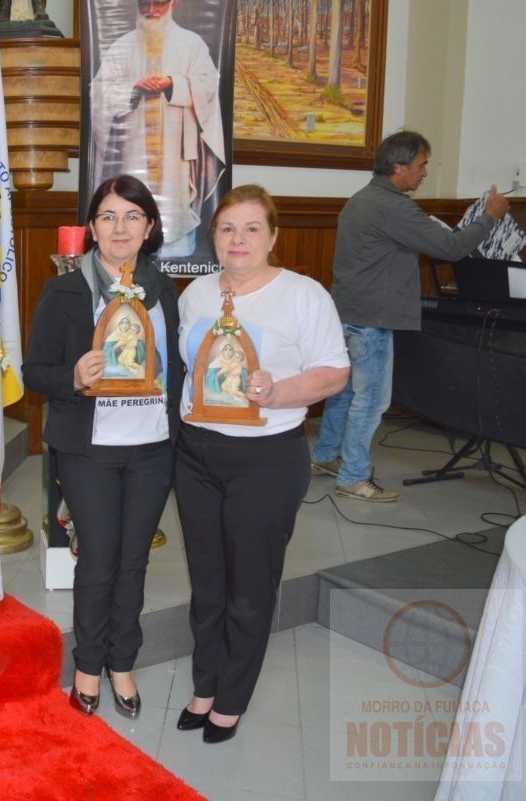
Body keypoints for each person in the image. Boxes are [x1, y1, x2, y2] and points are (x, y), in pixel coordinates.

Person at [175, 184, 349, 744]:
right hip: (197, 453)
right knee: (206, 582)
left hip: (267, 457)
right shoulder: (195, 295)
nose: (238, 239)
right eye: (227, 228)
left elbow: (334, 371)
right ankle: (205, 684)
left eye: (252, 228)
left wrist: (279, 392)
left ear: (273, 237)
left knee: (249, 584)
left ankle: (231, 697)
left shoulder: (304, 296)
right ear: (214, 237)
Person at [23, 174, 181, 719]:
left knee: (133, 563)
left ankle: (123, 664)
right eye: (109, 216)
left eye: (132, 216)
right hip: (90, 450)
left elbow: (179, 369)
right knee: (96, 562)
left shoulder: (164, 291)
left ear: (150, 228)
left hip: (153, 449)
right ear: (91, 227)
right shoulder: (65, 291)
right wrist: (72, 374)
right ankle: (88, 665)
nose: (120, 227)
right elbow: (32, 372)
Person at [310, 131, 510, 501]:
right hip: (372, 321)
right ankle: (353, 476)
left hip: (348, 314)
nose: (424, 174)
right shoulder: (392, 207)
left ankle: (325, 457)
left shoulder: (360, 199)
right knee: (370, 401)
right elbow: (451, 248)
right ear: (398, 167)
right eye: (421, 166)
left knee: (344, 394)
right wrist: (490, 218)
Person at [90, 0, 226, 258]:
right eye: (145, 4)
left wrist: (172, 83)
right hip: (132, 152)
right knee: (129, 210)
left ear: (173, 3)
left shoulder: (191, 43)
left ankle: (174, 252)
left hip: (175, 155)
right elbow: (99, 94)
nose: (151, 10)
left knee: (174, 222)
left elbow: (208, 86)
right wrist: (134, 88)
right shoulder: (122, 46)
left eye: (159, 4)